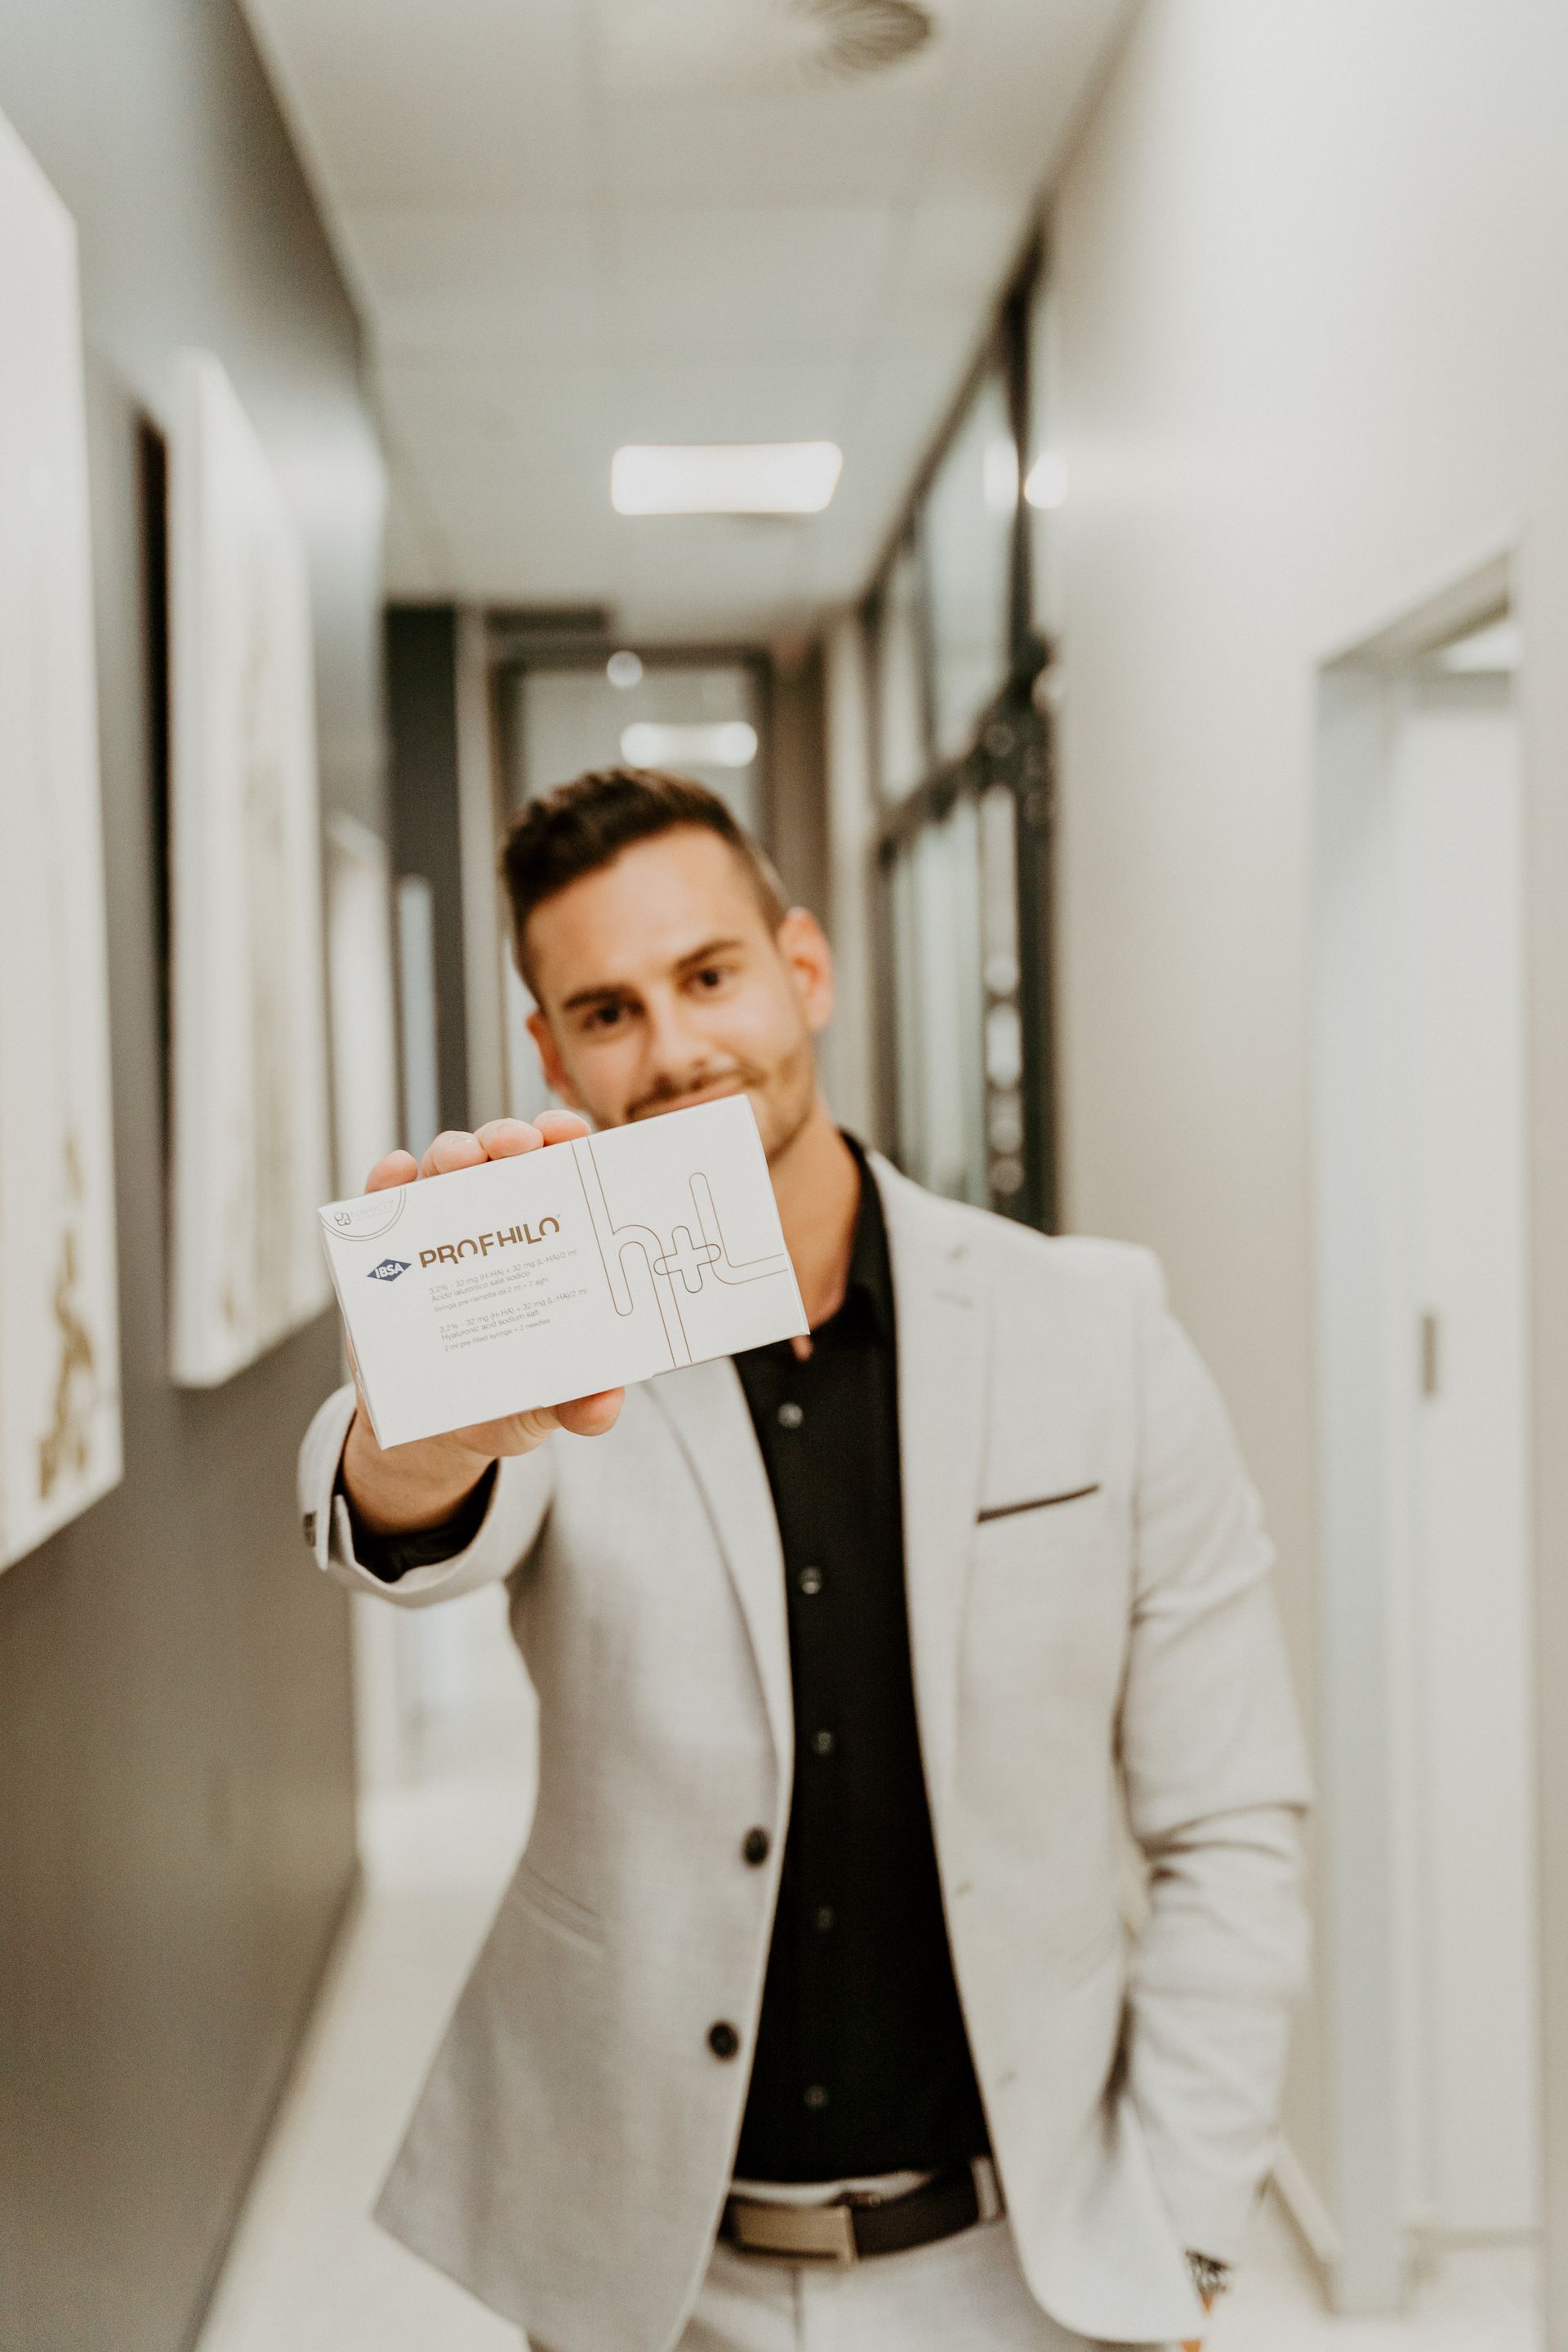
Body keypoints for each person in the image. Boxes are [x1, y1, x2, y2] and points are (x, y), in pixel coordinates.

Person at [298, 769, 1310, 2352]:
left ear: (803, 969)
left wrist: (1182, 2231)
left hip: (1031, 2265)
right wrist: (414, 1452)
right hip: (650, 2278)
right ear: (547, 1053)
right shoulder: (559, 1348)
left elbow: (1233, 1821)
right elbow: (412, 1523)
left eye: (709, 977)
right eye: (609, 1010)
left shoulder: (1096, 1328)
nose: (679, 1046)